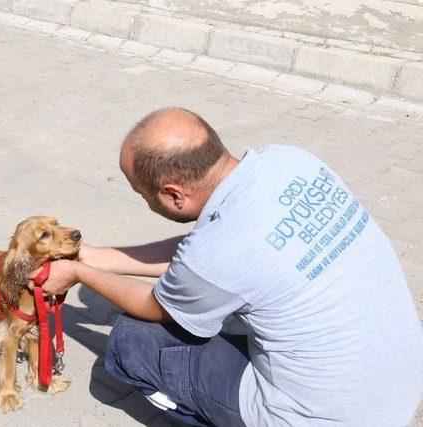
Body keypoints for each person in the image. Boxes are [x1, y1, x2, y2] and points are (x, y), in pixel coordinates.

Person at [28, 107, 423, 426]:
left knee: (132, 337)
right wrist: (99, 256)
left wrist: (80, 274)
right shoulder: (290, 161)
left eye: (142, 194)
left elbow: (157, 305)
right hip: (397, 388)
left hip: (315, 418)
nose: (144, 201)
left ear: (172, 195)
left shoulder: (217, 252)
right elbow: (210, 253)